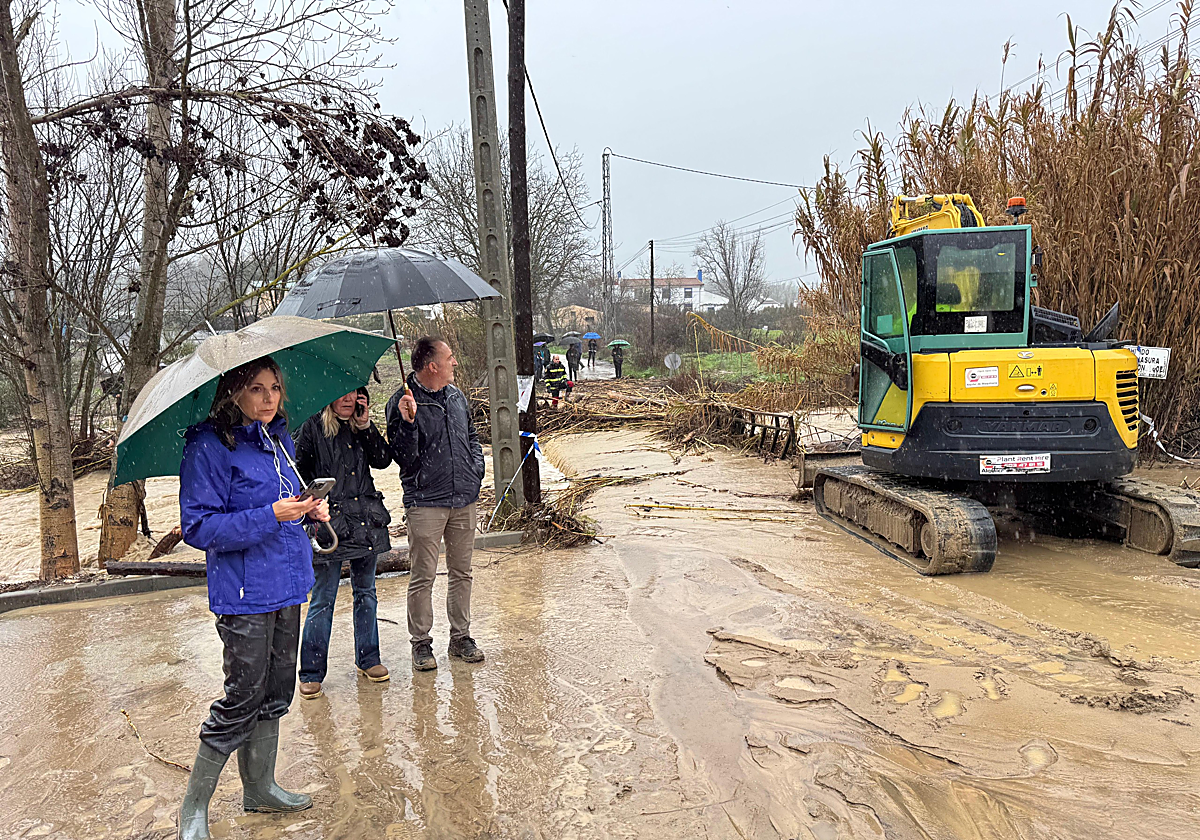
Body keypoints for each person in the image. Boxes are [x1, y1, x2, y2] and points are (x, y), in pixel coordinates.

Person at [177, 356, 329, 840]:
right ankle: (193, 810)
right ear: (233, 392)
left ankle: (260, 788)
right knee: (242, 695)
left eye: (275, 389)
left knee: (277, 691)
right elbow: (197, 527)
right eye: (257, 389)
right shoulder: (208, 445)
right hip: (243, 593)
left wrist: (307, 509)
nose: (269, 399)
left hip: (288, 584)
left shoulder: (278, 438)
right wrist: (271, 515)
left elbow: (286, 506)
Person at [385, 337, 486, 671]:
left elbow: (471, 436)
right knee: (423, 575)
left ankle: (461, 638)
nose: (454, 362)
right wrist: (408, 423)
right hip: (426, 501)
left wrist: (476, 470)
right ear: (432, 366)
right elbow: (403, 459)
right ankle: (421, 644)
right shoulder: (402, 401)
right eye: (450, 358)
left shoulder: (457, 396)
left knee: (462, 572)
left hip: (463, 498)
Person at [293, 387, 393, 701]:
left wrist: (366, 427)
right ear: (329, 397)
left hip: (366, 520)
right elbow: (296, 471)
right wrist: (311, 505)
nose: (349, 400)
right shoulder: (311, 426)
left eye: (355, 394)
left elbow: (382, 460)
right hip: (330, 524)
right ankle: (310, 672)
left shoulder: (360, 425)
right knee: (323, 598)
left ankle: (369, 659)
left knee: (366, 593)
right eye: (342, 395)